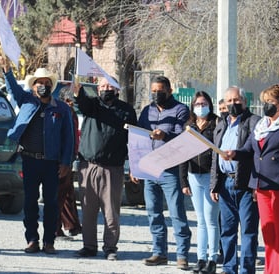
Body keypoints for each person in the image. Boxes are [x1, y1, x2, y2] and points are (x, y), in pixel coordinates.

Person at [226, 83, 279, 274]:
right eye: (265, 102)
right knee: (268, 233)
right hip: (261, 185)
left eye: (271, 101)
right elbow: (248, 150)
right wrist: (233, 154)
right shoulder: (261, 125)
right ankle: (271, 270)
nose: (267, 105)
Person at [0, 56, 74, 254]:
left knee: (50, 203)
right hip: (29, 160)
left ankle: (49, 241)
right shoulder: (26, 101)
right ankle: (32, 240)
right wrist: (7, 71)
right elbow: (13, 89)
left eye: (46, 83)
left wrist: (66, 162)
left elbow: (69, 138)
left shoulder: (62, 109)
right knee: (30, 202)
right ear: (33, 86)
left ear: (52, 86)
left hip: (51, 163)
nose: (42, 86)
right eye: (39, 83)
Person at [131, 75, 192, 270]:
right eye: (154, 91)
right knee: (153, 212)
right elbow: (139, 138)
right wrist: (135, 166)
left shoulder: (180, 110)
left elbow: (182, 136)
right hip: (149, 169)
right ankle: (159, 252)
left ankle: (182, 255)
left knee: (176, 214)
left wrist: (165, 135)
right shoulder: (147, 111)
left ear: (169, 91)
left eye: (160, 91)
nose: (156, 94)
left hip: (170, 170)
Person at [73, 77, 137, 261]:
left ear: (117, 89)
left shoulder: (126, 110)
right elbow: (81, 103)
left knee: (111, 211)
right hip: (88, 166)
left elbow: (133, 141)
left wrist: (134, 166)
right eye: (102, 86)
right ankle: (89, 246)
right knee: (88, 210)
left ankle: (110, 247)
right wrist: (78, 91)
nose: (105, 89)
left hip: (113, 168)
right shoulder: (92, 106)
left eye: (110, 86)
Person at [210, 86, 260, 274]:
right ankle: (229, 268)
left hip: (246, 184)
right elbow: (215, 157)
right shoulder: (221, 124)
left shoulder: (254, 122)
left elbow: (256, 154)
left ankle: (247, 270)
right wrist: (214, 185)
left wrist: (256, 184)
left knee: (248, 231)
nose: (233, 104)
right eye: (229, 101)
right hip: (225, 184)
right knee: (227, 230)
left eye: (237, 100)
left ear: (245, 101)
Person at [179, 91, 219, 274]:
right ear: (193, 106)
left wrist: (215, 182)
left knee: (211, 220)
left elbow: (217, 156)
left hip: (210, 177)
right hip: (194, 176)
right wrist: (184, 181)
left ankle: (213, 258)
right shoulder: (189, 126)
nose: (201, 107)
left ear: (210, 105)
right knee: (200, 220)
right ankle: (201, 258)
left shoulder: (217, 124)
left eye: (204, 103)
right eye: (197, 104)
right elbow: (183, 154)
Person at [55, 95, 82, 238]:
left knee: (68, 194)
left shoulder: (71, 113)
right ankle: (56, 228)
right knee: (60, 194)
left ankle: (72, 225)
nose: (70, 103)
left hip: (70, 155)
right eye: (68, 100)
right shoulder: (64, 113)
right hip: (63, 157)